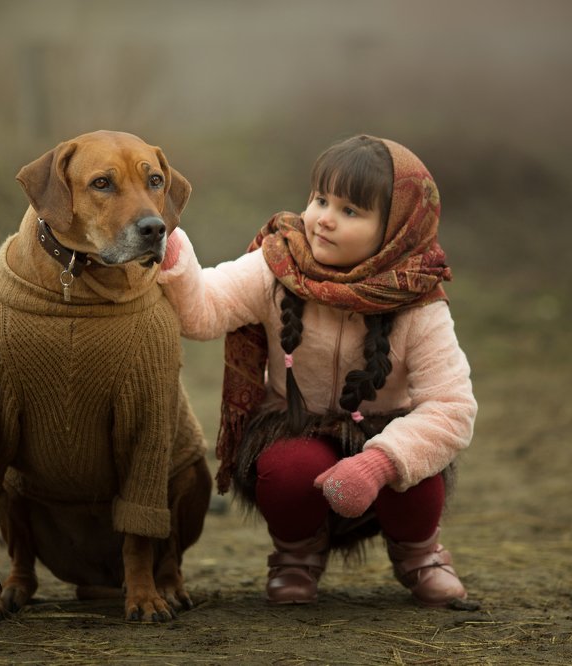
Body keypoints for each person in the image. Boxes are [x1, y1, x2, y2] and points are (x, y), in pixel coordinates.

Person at [157, 134, 477, 607]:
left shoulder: (418, 299)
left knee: (418, 476)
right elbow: (204, 310)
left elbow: (452, 406)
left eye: (350, 211)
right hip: (296, 424)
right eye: (320, 199)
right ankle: (297, 555)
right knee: (287, 471)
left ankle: (419, 554)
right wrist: (169, 245)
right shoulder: (278, 264)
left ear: (396, 231)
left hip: (385, 430)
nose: (324, 218)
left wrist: (378, 463)